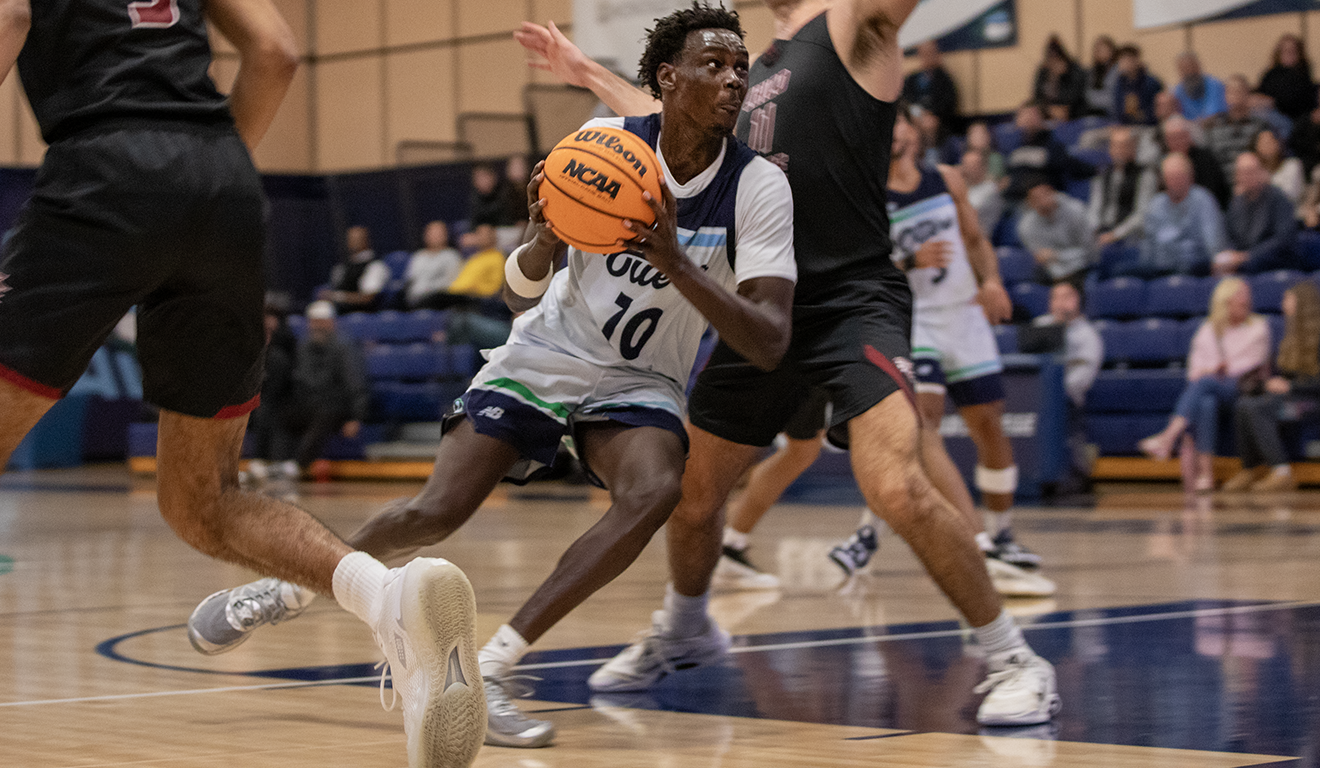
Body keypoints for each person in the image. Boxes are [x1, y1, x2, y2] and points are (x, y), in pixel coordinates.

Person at [191, 4, 799, 748]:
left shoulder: (759, 187)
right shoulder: (601, 144)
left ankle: (493, 667)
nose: (736, 78)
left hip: (641, 378)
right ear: (667, 79)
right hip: (548, 351)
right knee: (436, 511)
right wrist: (544, 240)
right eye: (716, 64)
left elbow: (768, 341)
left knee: (657, 489)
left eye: (742, 66)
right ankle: (285, 589)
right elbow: (518, 291)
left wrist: (672, 258)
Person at [516, 0, 1061, 728]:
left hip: (849, 300)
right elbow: (661, 108)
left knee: (895, 485)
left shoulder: (847, 25)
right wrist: (583, 69)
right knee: (694, 494)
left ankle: (1015, 659)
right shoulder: (747, 73)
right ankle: (684, 629)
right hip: (761, 305)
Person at [0, 0, 486, 765]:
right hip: (221, 182)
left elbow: (13, 19)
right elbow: (276, 52)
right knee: (204, 500)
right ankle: (386, 597)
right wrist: (207, 178)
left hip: (102, 173)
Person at [717, 105, 1059, 600]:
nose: (889, 131)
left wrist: (992, 281)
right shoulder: (865, 187)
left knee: (981, 426)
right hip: (902, 319)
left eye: (897, 123)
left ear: (915, 133)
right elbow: (861, 261)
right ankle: (977, 544)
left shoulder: (945, 180)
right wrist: (908, 259)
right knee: (917, 428)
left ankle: (989, 535)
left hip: (958, 315)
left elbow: (975, 238)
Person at [1139, 278, 1270, 493]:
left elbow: (1251, 365)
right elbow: (1194, 370)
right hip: (1213, 390)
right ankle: (1206, 475)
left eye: (1247, 297)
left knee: (1206, 382)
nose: (1246, 300)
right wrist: (1212, 369)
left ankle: (1168, 436)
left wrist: (1216, 370)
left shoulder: (1258, 327)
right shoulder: (1208, 329)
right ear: (1225, 301)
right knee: (1206, 402)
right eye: (1239, 297)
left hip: (1244, 390)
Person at [1224, 281, 1320, 493]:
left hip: (1310, 406)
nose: (1282, 304)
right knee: (1244, 404)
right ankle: (1249, 469)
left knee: (1259, 408)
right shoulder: (1290, 337)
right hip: (1293, 400)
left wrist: (1290, 387)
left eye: (1287, 299)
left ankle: (1282, 471)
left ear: (1302, 304)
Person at [270, 301, 369, 486]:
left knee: (324, 413)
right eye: (313, 322)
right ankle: (277, 463)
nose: (317, 326)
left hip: (336, 406)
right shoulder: (304, 347)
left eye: (321, 322)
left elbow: (355, 383)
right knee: (282, 414)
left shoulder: (344, 348)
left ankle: (298, 465)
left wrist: (357, 416)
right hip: (309, 403)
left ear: (332, 323)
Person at [1033, 282, 1103, 495]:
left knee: (1065, 411)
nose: (1060, 302)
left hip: (1067, 400)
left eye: (1066, 297)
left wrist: (1055, 391)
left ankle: (1074, 475)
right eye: (1055, 297)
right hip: (1034, 397)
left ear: (1077, 300)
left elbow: (1084, 376)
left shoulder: (1088, 335)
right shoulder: (1039, 326)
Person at [1113, 153, 1226, 279]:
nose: (1174, 182)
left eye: (1179, 176)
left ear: (1190, 176)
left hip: (1193, 266)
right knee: (1120, 273)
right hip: (1160, 269)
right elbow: (1148, 245)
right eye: (1170, 177)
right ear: (1163, 179)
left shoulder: (1203, 200)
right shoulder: (1156, 204)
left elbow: (1213, 243)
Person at [242, 294, 298, 496]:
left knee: (268, 412)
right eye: (265, 316)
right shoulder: (250, 346)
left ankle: (268, 461)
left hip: (283, 397)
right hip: (259, 396)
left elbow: (288, 379)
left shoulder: (286, 344)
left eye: (272, 316)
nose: (268, 321)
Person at [1215, 151, 1298, 276]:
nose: (1248, 176)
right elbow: (1230, 236)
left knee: (1249, 265)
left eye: (1251, 171)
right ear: (1237, 177)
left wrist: (1248, 256)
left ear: (1262, 172)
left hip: (1274, 260)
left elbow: (1283, 239)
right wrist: (1229, 255)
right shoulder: (1236, 203)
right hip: (1243, 259)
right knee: (1211, 265)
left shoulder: (1278, 199)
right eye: (1243, 173)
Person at [1004, 100, 1093, 201]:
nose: (1028, 119)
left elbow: (1065, 169)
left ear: (1041, 118)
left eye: (1032, 115)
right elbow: (1008, 178)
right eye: (1024, 115)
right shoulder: (1012, 148)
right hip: (1017, 199)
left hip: (1046, 200)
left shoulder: (1052, 144)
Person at [1018, 177, 1095, 288]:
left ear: (1052, 192)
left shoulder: (1076, 211)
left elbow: (1090, 252)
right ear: (1029, 203)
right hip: (1051, 273)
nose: (1042, 202)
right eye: (1036, 199)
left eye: (1045, 195)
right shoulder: (1026, 226)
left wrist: (1058, 256)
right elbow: (1041, 257)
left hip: (1082, 267)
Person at [1088, 126, 1158, 248]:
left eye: (1124, 146)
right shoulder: (1102, 174)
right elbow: (1095, 206)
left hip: (1129, 235)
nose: (1118, 151)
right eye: (1115, 146)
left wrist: (1115, 234)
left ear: (1133, 149)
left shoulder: (1145, 175)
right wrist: (1093, 230)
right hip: (1103, 230)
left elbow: (1142, 214)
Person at [1207, 75, 1268, 182]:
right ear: (1225, 96)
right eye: (1231, 92)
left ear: (1248, 94)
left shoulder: (1261, 126)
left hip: (1253, 184)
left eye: (1239, 91)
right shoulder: (1213, 127)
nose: (1235, 96)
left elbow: (1267, 161)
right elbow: (1210, 163)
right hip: (1223, 188)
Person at [1163, 114, 1231, 208]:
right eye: (1173, 138)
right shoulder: (1163, 162)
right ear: (1166, 141)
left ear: (1189, 137)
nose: (1178, 141)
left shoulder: (1206, 159)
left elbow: (1213, 194)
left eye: (1181, 136)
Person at [321, 225, 391, 314]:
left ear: (366, 240)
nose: (353, 242)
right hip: (340, 315)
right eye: (350, 239)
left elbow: (367, 298)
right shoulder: (342, 268)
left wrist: (338, 297)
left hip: (365, 317)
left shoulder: (375, 266)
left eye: (357, 239)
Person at [403, 221, 464, 310]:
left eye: (438, 233)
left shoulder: (451, 255)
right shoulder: (418, 256)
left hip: (439, 300)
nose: (435, 237)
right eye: (431, 233)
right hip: (415, 299)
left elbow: (453, 283)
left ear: (445, 236)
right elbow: (410, 279)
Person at [1258, 33, 1317, 123]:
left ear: (1299, 53)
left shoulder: (1303, 74)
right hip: (1272, 115)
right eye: (1285, 50)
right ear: (1279, 53)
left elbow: (1299, 101)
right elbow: (1261, 93)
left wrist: (1274, 102)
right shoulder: (1270, 75)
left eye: (1292, 50)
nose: (1289, 53)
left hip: (1297, 118)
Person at [902, 39, 958, 125]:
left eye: (930, 53)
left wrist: (931, 113)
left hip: (935, 117)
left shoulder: (943, 79)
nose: (927, 57)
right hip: (914, 114)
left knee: (929, 123)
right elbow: (904, 99)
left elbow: (949, 103)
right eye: (924, 54)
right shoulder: (912, 78)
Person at [1032, 35, 1084, 121]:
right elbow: (1037, 96)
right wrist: (1048, 110)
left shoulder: (1073, 70)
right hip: (1048, 115)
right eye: (1050, 59)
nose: (1053, 63)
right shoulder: (1043, 72)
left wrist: (1061, 77)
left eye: (1056, 58)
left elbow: (1075, 97)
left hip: (1073, 115)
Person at [1112, 45, 1163, 125]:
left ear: (1137, 61)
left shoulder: (1151, 83)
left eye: (1128, 60)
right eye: (1122, 60)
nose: (1125, 63)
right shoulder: (1119, 83)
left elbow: (1156, 113)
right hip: (1125, 126)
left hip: (1147, 126)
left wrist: (1138, 116)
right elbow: (1117, 110)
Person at [1252, 127, 1305, 205]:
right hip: (1260, 214)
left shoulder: (1293, 165)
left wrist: (1264, 184)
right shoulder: (1252, 169)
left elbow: (1291, 196)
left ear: (1279, 144)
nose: (1267, 146)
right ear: (1256, 147)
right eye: (1263, 142)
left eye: (1270, 142)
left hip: (1290, 212)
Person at [961, 149, 1005, 237]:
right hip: (964, 234)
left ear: (983, 168)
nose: (968, 169)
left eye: (973, 166)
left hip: (982, 235)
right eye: (967, 165)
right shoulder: (962, 187)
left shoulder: (991, 189)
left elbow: (973, 213)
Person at [1173, 52, 1227, 122]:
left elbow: (1216, 111)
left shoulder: (1214, 84)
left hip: (1214, 125)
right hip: (1189, 128)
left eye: (1190, 66)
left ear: (1198, 66)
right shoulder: (1178, 90)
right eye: (1183, 68)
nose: (1189, 71)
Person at [1083, 35, 1118, 118]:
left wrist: (1093, 98)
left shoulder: (1117, 71)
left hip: (1112, 115)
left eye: (1103, 49)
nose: (1099, 52)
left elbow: (1113, 99)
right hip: (1093, 114)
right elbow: (1086, 94)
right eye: (1097, 50)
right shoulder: (1092, 72)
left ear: (1112, 51)